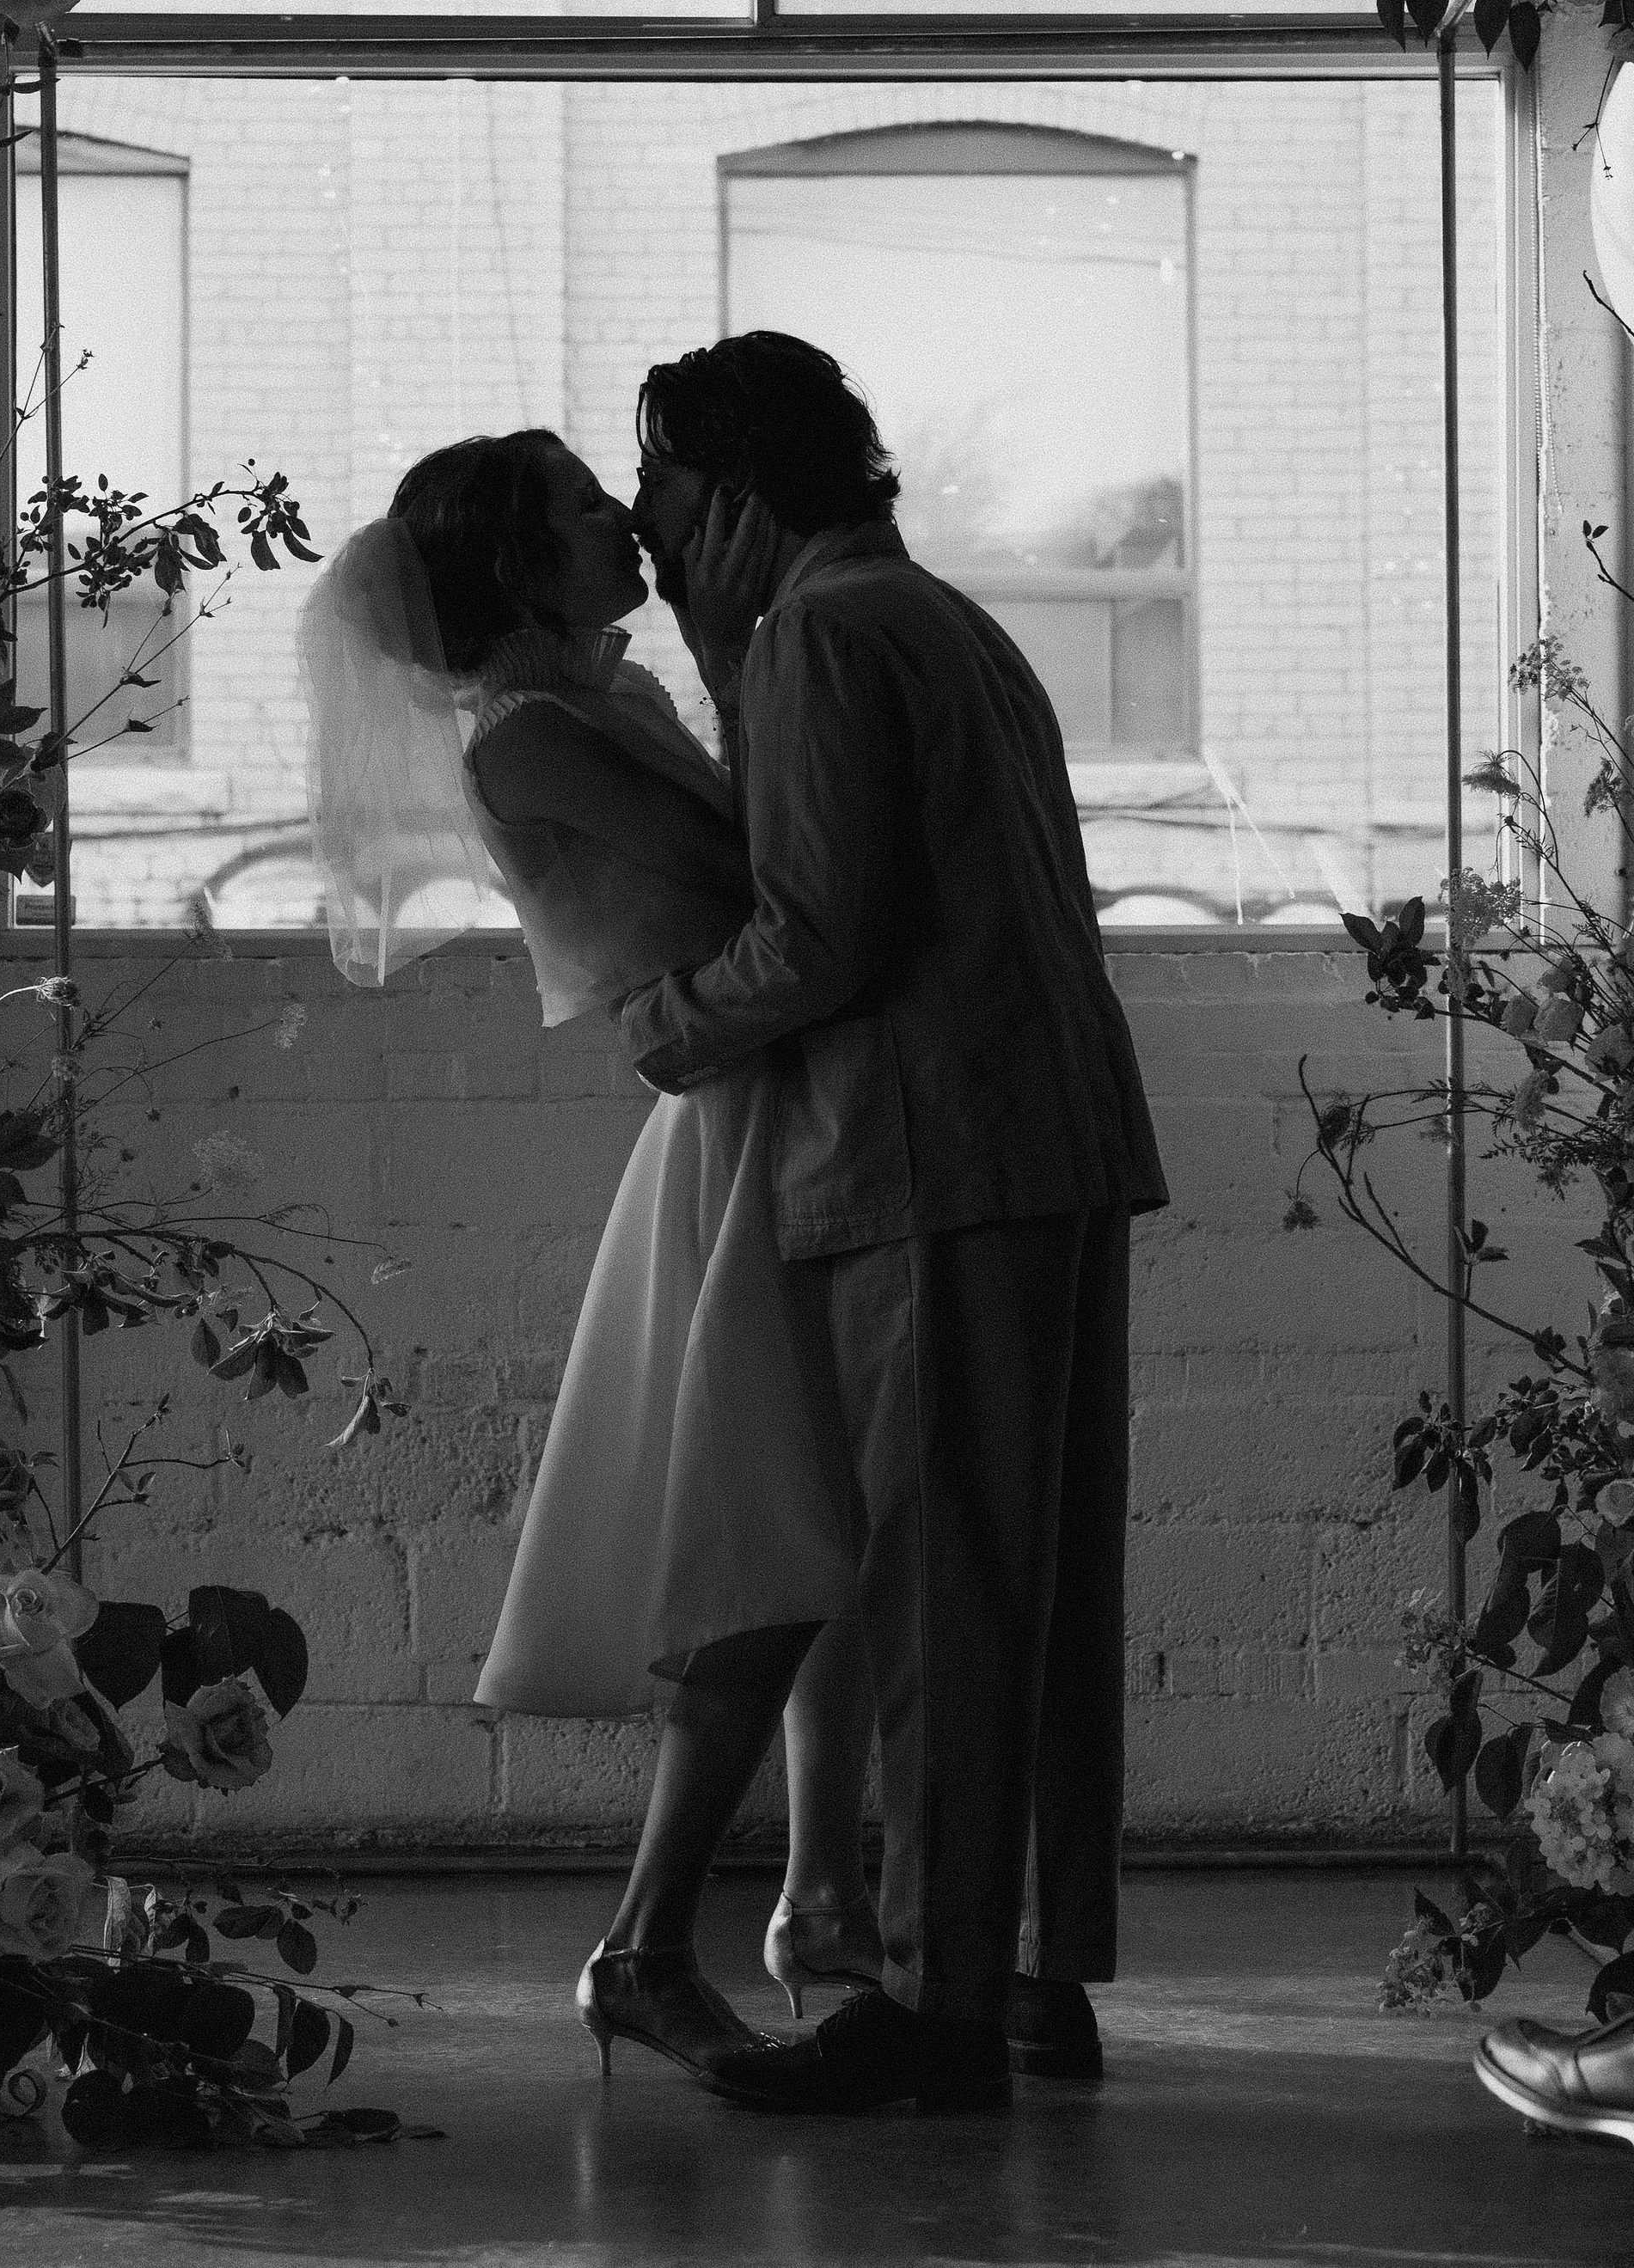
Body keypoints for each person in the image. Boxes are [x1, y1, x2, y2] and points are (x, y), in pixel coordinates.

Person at [615, 331, 1170, 2115]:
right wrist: (723, 659)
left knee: (935, 1589)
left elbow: (818, 929)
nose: (644, 524)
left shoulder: (822, 639)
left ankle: (926, 2006)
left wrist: (666, 1026)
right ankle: (1026, 1970)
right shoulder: (938, 619)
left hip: (928, 1156)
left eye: (667, 488)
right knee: (1035, 1584)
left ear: (743, 492)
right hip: (1051, 1136)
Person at [297, 426, 885, 2085]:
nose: (619, 516)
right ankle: (645, 1939)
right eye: (575, 505)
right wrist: (726, 661)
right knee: (774, 1541)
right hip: (734, 1122)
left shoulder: (593, 703)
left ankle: (822, 1889)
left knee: (823, 1527)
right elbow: (753, 870)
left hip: (769, 1095)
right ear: (512, 566)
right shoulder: (533, 735)